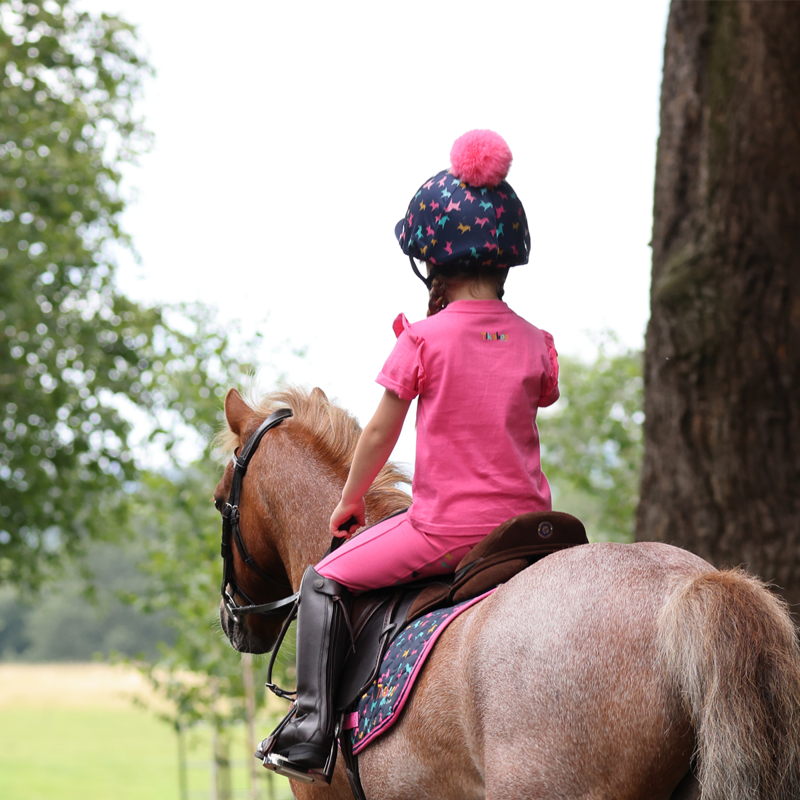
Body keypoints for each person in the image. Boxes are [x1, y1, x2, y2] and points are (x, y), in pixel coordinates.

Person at [257, 129, 560, 779]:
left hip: (447, 531)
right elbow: (544, 393)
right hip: (536, 531)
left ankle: (310, 729)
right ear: (508, 257)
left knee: (323, 579)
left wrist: (350, 499)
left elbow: (377, 435)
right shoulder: (537, 341)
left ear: (431, 261)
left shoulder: (422, 340)